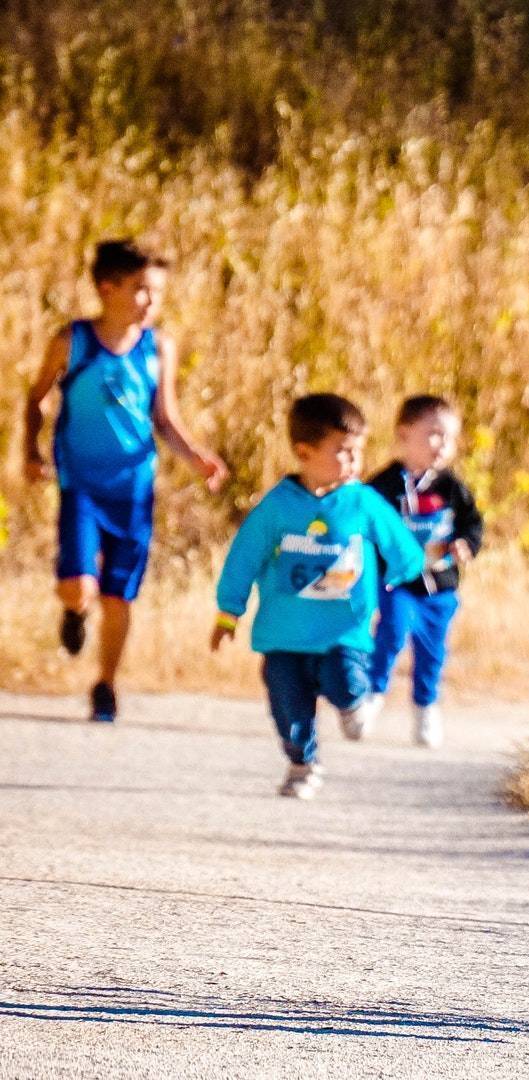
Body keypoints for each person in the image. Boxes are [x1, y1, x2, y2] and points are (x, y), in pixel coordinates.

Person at [22, 239, 228, 723]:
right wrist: (29, 452)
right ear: (106, 288)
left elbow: (165, 416)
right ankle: (73, 613)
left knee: (119, 594)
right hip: (81, 485)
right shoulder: (73, 340)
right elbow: (35, 400)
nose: (151, 301)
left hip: (133, 489)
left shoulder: (159, 347)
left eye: (157, 291)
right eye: (141, 290)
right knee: (78, 585)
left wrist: (196, 456)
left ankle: (106, 684)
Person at [211, 394, 424, 799]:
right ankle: (302, 764)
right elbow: (244, 558)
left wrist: (404, 573)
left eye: (358, 451)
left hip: (343, 631)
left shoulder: (362, 501)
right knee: (288, 707)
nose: (354, 461)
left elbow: (401, 546)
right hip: (283, 635)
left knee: (344, 682)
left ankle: (354, 702)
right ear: (304, 452)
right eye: (342, 452)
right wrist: (228, 613)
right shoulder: (277, 507)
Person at [363, 395, 484, 749]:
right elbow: (365, 525)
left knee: (433, 651)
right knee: (391, 633)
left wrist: (466, 544)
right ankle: (371, 696)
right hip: (397, 582)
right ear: (404, 434)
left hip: (440, 585)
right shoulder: (383, 485)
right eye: (433, 434)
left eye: (449, 438)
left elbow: (472, 523)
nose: (442, 446)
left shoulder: (451, 486)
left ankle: (425, 708)